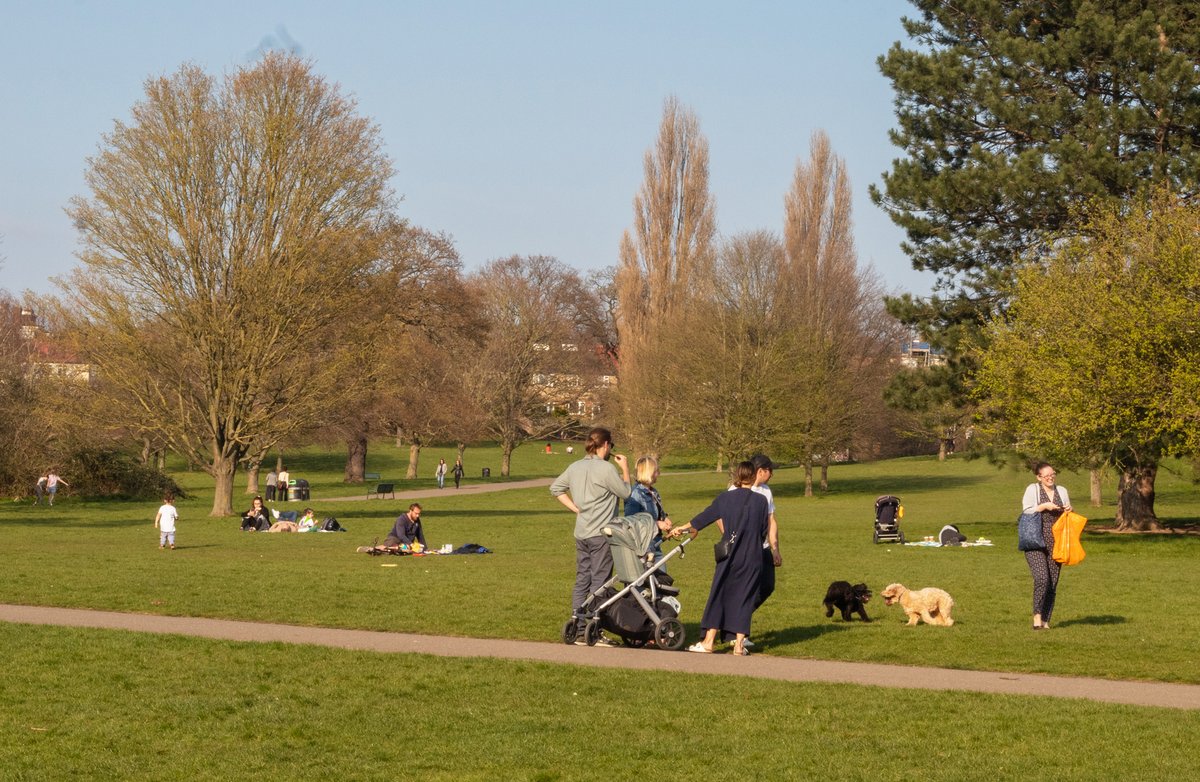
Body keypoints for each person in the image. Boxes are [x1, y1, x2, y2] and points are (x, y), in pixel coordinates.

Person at [671, 461, 769, 656]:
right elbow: (763, 530)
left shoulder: (725, 499)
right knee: (745, 599)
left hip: (730, 556)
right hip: (753, 557)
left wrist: (682, 527)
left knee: (719, 596)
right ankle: (739, 646)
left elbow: (704, 518)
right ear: (753, 477)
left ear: (737, 477)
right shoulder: (761, 502)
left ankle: (708, 642)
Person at [549, 427, 631, 648]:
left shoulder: (575, 466)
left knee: (582, 578)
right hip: (601, 534)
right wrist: (624, 469)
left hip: (582, 532)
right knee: (600, 582)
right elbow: (626, 493)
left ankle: (578, 627)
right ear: (606, 445)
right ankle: (593, 628)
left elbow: (556, 488)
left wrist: (576, 508)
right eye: (610, 446)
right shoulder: (606, 469)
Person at [736, 454, 784, 648]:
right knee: (745, 590)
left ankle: (737, 620)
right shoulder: (736, 490)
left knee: (767, 586)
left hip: (762, 548)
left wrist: (775, 549)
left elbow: (771, 521)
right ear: (760, 471)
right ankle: (738, 631)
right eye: (770, 470)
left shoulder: (766, 491)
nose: (772, 474)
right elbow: (721, 517)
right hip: (743, 550)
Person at [1023, 462, 1071, 630]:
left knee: (1052, 582)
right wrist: (1043, 506)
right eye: (1046, 475)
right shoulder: (1033, 489)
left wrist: (1068, 509)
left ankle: (1045, 620)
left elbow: (1066, 515)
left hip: (1056, 542)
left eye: (1053, 474)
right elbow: (1026, 510)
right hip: (1035, 540)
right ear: (1039, 477)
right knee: (1042, 578)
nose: (1050, 477)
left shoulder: (1062, 491)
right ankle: (1037, 616)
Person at [624, 456, 673, 564]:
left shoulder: (653, 492)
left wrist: (664, 519)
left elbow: (656, 513)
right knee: (652, 580)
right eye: (656, 471)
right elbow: (631, 522)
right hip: (643, 549)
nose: (658, 474)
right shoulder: (635, 494)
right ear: (649, 472)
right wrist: (656, 524)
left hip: (655, 544)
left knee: (662, 580)